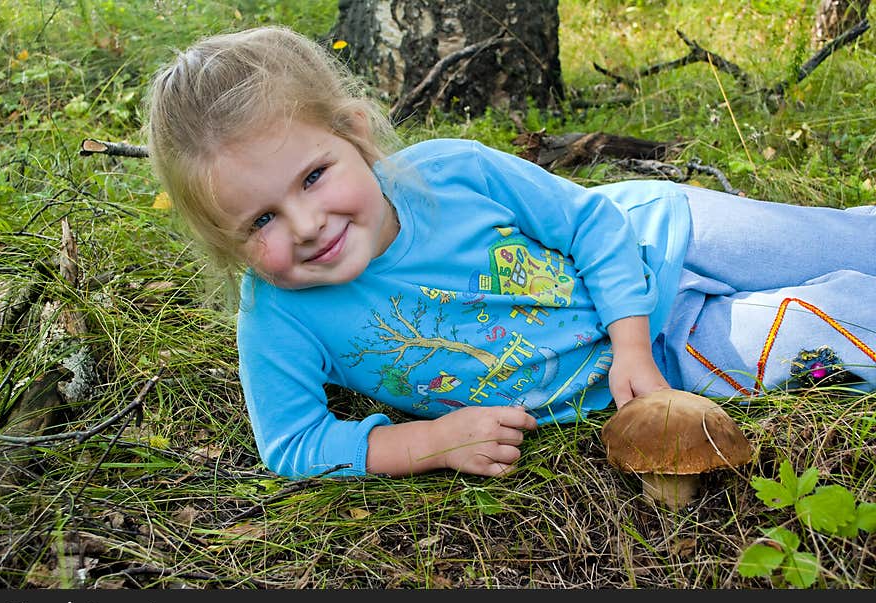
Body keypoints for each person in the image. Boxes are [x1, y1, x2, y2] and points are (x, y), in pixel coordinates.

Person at [145, 26, 876, 481]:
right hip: (675, 359)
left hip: (664, 236)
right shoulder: (279, 314)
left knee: (843, 240)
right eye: (261, 219)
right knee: (834, 329)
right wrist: (426, 440)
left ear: (356, 135)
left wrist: (629, 345)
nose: (305, 224)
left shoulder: (453, 173)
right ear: (228, 243)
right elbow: (293, 442)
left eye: (313, 176)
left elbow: (590, 222)